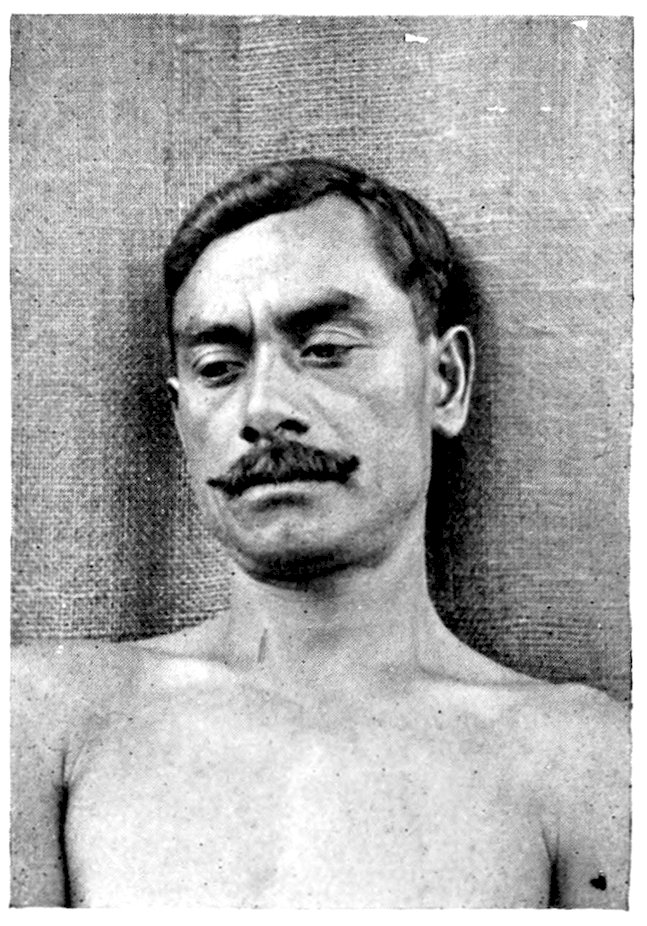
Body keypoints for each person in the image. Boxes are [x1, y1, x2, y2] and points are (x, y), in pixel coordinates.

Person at [11, 157, 630, 908]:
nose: (263, 408)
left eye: (326, 350)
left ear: (446, 381)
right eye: (218, 366)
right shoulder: (43, 721)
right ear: (178, 419)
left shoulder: (584, 762)